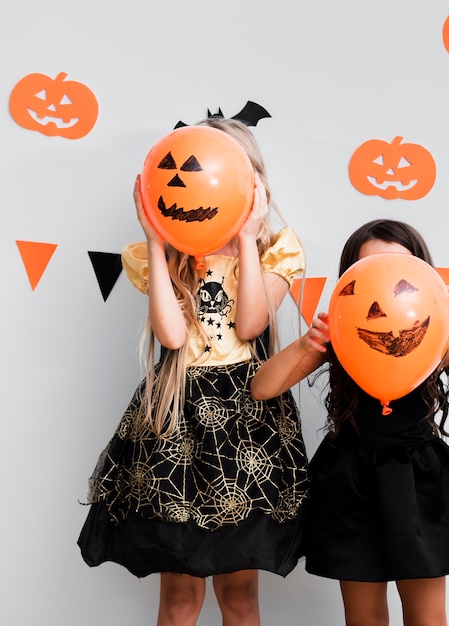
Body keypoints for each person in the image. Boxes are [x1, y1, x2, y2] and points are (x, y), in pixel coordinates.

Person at [78, 118, 309, 626]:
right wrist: (157, 241)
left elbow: (250, 324)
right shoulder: (165, 255)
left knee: (240, 598)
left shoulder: (276, 248)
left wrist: (248, 239)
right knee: (179, 601)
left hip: (248, 421)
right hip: (175, 414)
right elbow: (172, 337)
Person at [251, 219, 449, 626]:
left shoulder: (436, 336)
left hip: (419, 481)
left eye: (399, 270)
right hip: (351, 482)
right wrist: (305, 344)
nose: (386, 283)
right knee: (363, 620)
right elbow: (262, 387)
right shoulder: (342, 335)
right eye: (372, 268)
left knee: (427, 618)